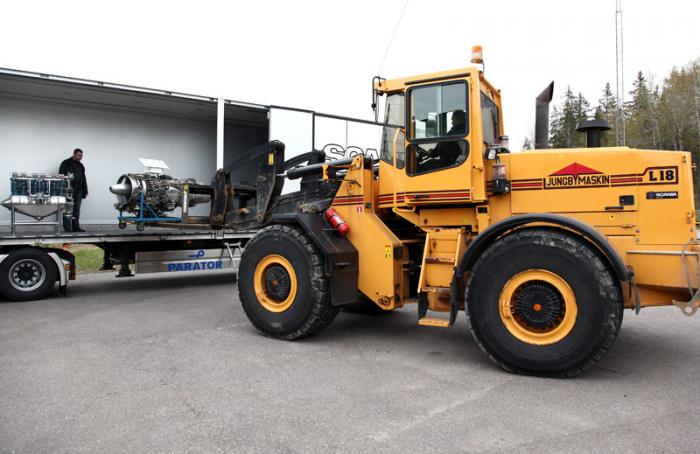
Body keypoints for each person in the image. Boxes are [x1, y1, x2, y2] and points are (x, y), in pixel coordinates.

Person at [59, 148, 88, 232]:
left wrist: (85, 190)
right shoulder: (65, 163)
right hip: (69, 190)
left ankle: (76, 227)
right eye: (79, 155)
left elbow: (83, 178)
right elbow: (61, 177)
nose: (80, 157)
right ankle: (67, 228)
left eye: (81, 156)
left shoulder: (80, 165)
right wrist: (64, 189)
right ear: (74, 154)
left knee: (76, 208)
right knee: (67, 208)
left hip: (79, 190)